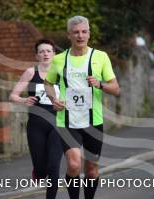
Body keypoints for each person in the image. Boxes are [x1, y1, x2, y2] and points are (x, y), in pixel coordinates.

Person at [44, 16, 120, 199]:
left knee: (92, 169)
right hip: (67, 121)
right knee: (74, 165)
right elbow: (48, 83)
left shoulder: (100, 57)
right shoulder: (59, 60)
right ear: (69, 35)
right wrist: (53, 98)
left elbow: (116, 89)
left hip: (93, 121)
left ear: (89, 34)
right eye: (76, 32)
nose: (80, 35)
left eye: (84, 31)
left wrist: (100, 84)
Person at [9, 39, 63, 199]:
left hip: (58, 124)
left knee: (54, 166)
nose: (45, 54)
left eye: (48, 51)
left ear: (54, 54)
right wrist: (23, 100)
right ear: (37, 55)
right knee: (41, 169)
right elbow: (13, 95)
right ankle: (38, 172)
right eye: (41, 51)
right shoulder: (31, 72)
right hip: (36, 125)